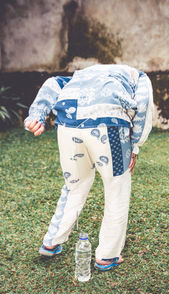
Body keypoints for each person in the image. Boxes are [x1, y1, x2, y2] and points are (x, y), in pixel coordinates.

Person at [25, 64, 154, 271]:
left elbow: (53, 83)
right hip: (109, 125)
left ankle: (51, 242)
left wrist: (37, 116)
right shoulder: (139, 76)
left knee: (74, 185)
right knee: (116, 187)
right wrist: (135, 146)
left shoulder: (81, 75)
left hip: (68, 125)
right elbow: (144, 104)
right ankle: (107, 256)